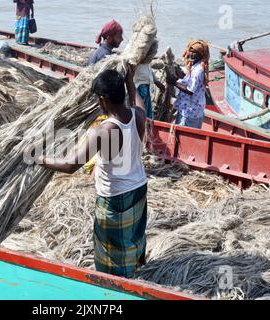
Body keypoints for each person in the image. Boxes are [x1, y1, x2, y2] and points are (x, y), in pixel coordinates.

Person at [33, 68, 148, 278]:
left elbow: (70, 165)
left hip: (115, 198)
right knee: (134, 236)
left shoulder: (104, 130)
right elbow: (139, 104)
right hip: (139, 187)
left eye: (97, 98)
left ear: (103, 99)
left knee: (110, 250)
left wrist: (39, 158)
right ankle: (138, 271)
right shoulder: (137, 115)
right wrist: (131, 83)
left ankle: (114, 285)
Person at [170, 39, 210, 129]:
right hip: (187, 109)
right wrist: (179, 73)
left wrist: (174, 83)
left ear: (200, 54)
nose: (191, 54)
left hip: (190, 112)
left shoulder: (198, 70)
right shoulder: (193, 65)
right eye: (190, 51)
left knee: (185, 138)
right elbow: (187, 77)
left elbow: (190, 90)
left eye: (194, 52)